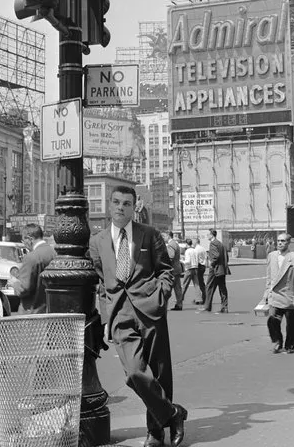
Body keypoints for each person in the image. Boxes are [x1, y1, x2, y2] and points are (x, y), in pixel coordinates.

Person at [89, 185, 187, 447]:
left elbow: (166, 270)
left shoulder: (149, 235)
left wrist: (161, 296)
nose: (121, 207)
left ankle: (155, 433)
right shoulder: (97, 241)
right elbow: (102, 280)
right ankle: (173, 413)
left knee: (159, 372)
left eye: (127, 203)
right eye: (116, 202)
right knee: (135, 374)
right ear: (110, 205)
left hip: (150, 310)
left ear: (135, 208)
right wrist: (107, 317)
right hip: (120, 315)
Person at [263, 233, 294, 354]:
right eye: (278, 241)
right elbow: (269, 277)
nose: (280, 243)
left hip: (289, 296)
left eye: (283, 241)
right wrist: (266, 293)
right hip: (275, 295)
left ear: (288, 243)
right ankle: (277, 342)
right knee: (272, 322)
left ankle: (290, 345)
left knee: (291, 324)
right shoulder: (271, 256)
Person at [10, 223, 55, 314]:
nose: (24, 244)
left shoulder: (30, 257)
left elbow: (24, 289)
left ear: (29, 239)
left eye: (23, 240)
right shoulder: (54, 253)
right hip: (49, 310)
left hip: (32, 313)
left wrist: (14, 283)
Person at [198, 229, 229, 313]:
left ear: (212, 235)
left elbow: (216, 255)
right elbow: (226, 256)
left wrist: (212, 263)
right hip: (222, 268)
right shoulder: (220, 244)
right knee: (222, 288)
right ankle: (224, 307)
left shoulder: (213, 243)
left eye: (208, 234)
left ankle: (207, 306)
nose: (207, 236)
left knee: (209, 287)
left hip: (215, 269)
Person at [164, 232, 184, 311]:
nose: (163, 238)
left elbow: (170, 257)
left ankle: (165, 306)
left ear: (168, 236)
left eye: (164, 236)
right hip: (177, 268)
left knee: (167, 288)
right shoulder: (175, 243)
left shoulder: (171, 244)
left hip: (172, 269)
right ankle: (179, 304)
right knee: (177, 288)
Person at [180, 239, 201, 304]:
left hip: (189, 269)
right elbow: (197, 259)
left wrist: (182, 261)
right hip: (195, 268)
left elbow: (188, 261)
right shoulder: (195, 250)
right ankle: (199, 299)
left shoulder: (187, 251)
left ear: (186, 244)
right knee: (196, 285)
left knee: (185, 284)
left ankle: (180, 298)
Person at [193, 237, 207, 305]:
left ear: (196, 242)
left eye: (193, 242)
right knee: (201, 281)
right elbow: (206, 257)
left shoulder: (196, 249)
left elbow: (195, 259)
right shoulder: (203, 248)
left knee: (199, 283)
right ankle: (202, 296)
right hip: (203, 265)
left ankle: (204, 297)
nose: (193, 243)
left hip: (198, 266)